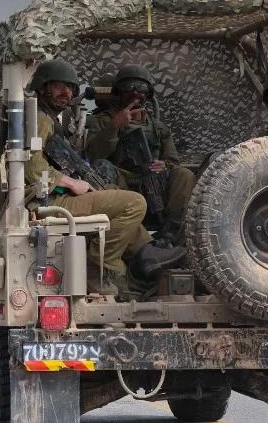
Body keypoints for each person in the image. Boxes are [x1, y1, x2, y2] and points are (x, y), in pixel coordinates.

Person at [25, 59, 184, 298]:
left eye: (70, 88)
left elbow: (173, 160)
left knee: (111, 194)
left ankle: (145, 255)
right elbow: (34, 168)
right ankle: (101, 265)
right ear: (43, 87)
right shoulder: (39, 118)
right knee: (133, 203)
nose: (66, 93)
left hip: (53, 197)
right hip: (48, 202)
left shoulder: (48, 119)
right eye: (58, 86)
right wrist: (71, 183)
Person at [84, 64, 196, 244]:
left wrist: (164, 165)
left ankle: (171, 234)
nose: (136, 93)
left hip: (153, 181)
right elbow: (94, 155)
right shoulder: (102, 121)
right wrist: (115, 126)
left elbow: (172, 161)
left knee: (184, 175)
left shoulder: (158, 127)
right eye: (129, 88)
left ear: (148, 94)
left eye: (142, 89)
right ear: (119, 92)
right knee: (101, 166)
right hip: (122, 181)